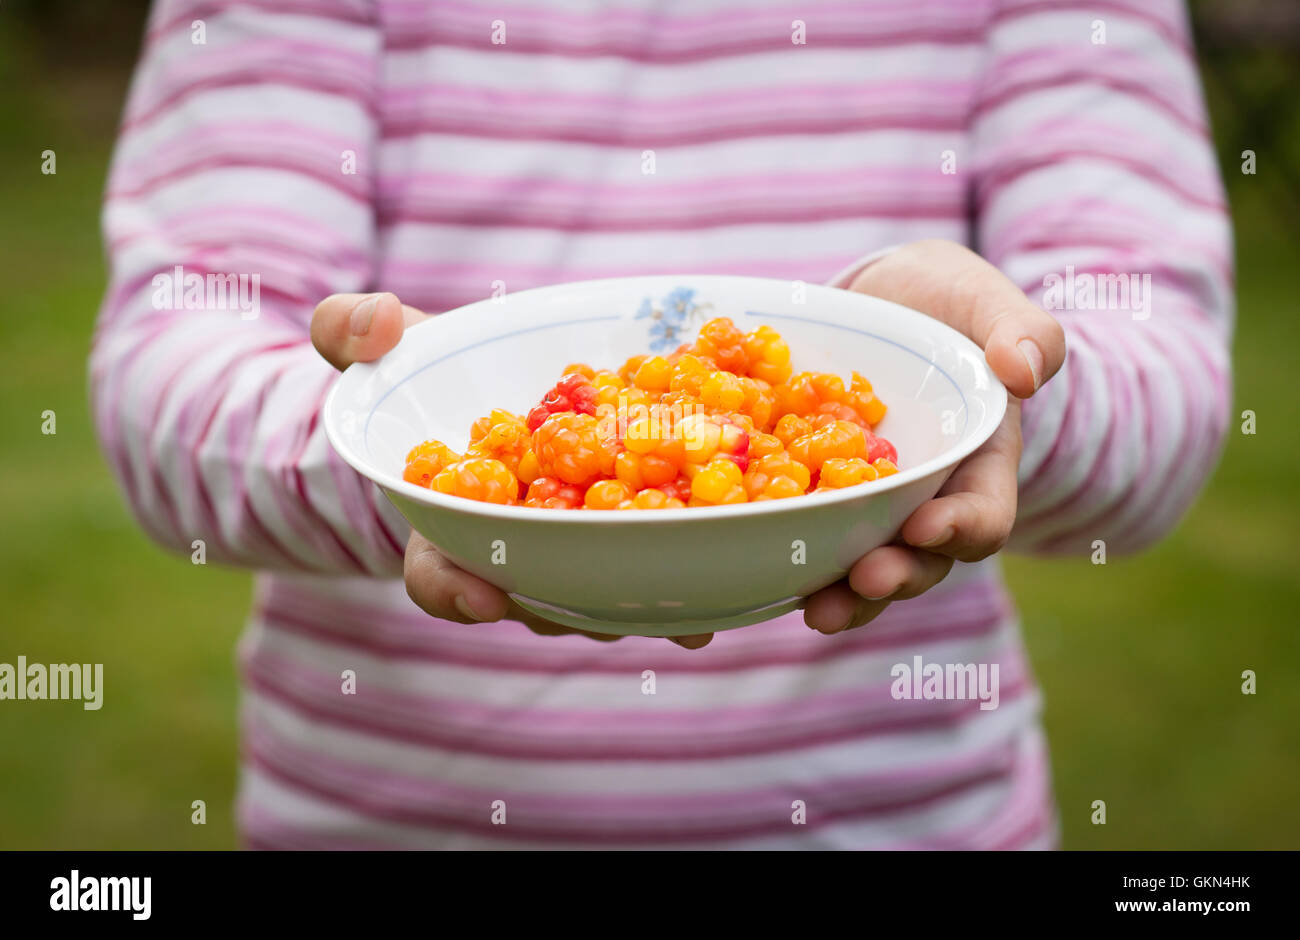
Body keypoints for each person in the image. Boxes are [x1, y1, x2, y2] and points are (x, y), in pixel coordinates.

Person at [92, 0, 1231, 848]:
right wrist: (411, 466)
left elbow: (1160, 392)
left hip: (904, 819)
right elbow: (173, 373)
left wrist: (981, 391)